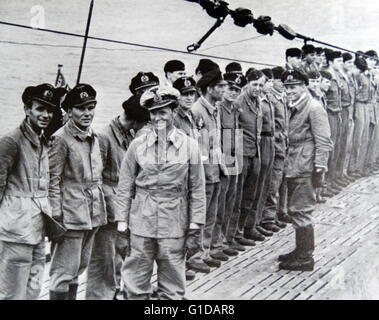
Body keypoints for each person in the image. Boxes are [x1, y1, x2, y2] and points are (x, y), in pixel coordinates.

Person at [115, 86, 206, 300]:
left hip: (174, 222)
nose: (158, 118)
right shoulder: (137, 146)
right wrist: (121, 223)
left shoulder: (190, 146)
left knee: (172, 286)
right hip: (141, 223)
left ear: (173, 113)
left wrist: (195, 225)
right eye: (154, 113)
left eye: (163, 112)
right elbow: (125, 186)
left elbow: (197, 189)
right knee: (135, 283)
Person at [85, 74, 152, 300]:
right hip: (107, 208)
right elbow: (94, 177)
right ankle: (99, 296)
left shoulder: (126, 134)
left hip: (122, 206)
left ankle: (112, 292)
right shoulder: (103, 137)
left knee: (118, 254)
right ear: (134, 121)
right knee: (102, 258)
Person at [48, 84, 107, 300]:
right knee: (63, 273)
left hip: (92, 212)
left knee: (78, 269)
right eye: (81, 108)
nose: (87, 113)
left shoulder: (93, 135)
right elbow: (51, 180)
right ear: (69, 111)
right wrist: (56, 216)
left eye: (91, 107)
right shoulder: (61, 139)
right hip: (70, 213)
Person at [0, 84, 59, 300]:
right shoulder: (11, 141)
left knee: (33, 290)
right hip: (15, 230)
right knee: (12, 293)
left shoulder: (43, 140)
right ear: (27, 109)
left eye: (50, 110)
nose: (45, 115)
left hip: (37, 228)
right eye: (40, 108)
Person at [278, 70, 333, 271]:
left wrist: (319, 168)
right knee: (296, 209)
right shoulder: (296, 106)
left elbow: (324, 141)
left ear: (304, 87)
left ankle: (305, 258)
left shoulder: (313, 108)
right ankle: (300, 250)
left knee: (302, 210)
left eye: (293, 87)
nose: (289, 91)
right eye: (287, 87)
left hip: (306, 166)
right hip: (296, 164)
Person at [190, 68, 229, 270]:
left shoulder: (214, 108)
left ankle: (205, 252)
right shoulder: (197, 111)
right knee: (200, 215)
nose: (225, 89)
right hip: (203, 172)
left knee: (211, 215)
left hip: (215, 170)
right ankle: (194, 257)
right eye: (220, 86)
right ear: (209, 89)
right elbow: (197, 146)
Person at [212, 72, 246, 257]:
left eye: (237, 90)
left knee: (232, 201)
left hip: (234, 157)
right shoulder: (218, 108)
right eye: (231, 88)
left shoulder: (234, 109)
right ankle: (216, 243)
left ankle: (227, 238)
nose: (233, 93)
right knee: (220, 203)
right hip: (222, 159)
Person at [172, 75, 200, 281]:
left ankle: (186, 262)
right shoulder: (174, 118)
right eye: (185, 94)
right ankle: (179, 267)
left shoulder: (190, 116)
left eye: (192, 94)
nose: (189, 98)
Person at [232, 69, 264, 246]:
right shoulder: (239, 101)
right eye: (254, 84)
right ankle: (234, 234)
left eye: (260, 85)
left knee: (251, 194)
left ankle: (246, 228)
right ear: (247, 84)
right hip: (242, 153)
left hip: (255, 152)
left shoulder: (257, 101)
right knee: (238, 196)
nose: (258, 88)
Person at [261, 66, 292, 228]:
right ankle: (268, 218)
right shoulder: (271, 99)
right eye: (277, 80)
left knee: (283, 180)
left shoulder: (283, 97)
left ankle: (281, 211)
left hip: (284, 143)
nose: (280, 83)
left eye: (282, 81)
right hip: (275, 144)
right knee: (273, 183)